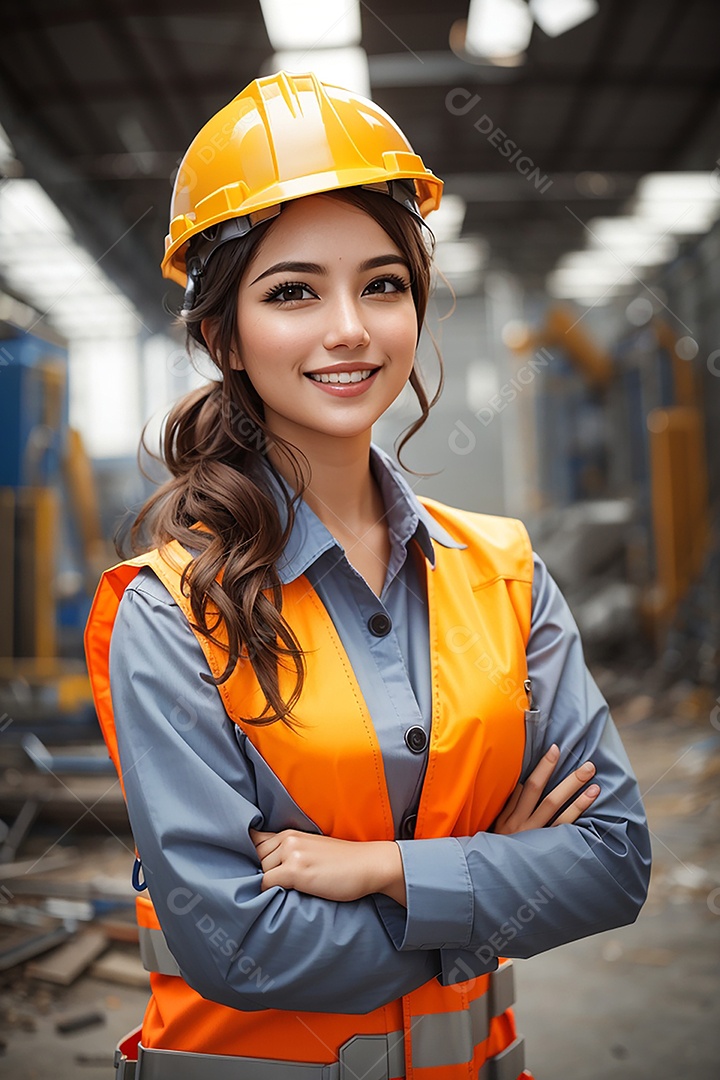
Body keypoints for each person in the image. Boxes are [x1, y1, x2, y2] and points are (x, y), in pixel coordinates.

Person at [85, 71, 651, 1080]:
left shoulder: (507, 573)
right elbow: (239, 944)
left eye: (382, 284)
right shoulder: (173, 613)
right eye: (293, 291)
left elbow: (612, 862)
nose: (349, 326)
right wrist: (490, 882)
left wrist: (384, 870)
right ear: (222, 334)